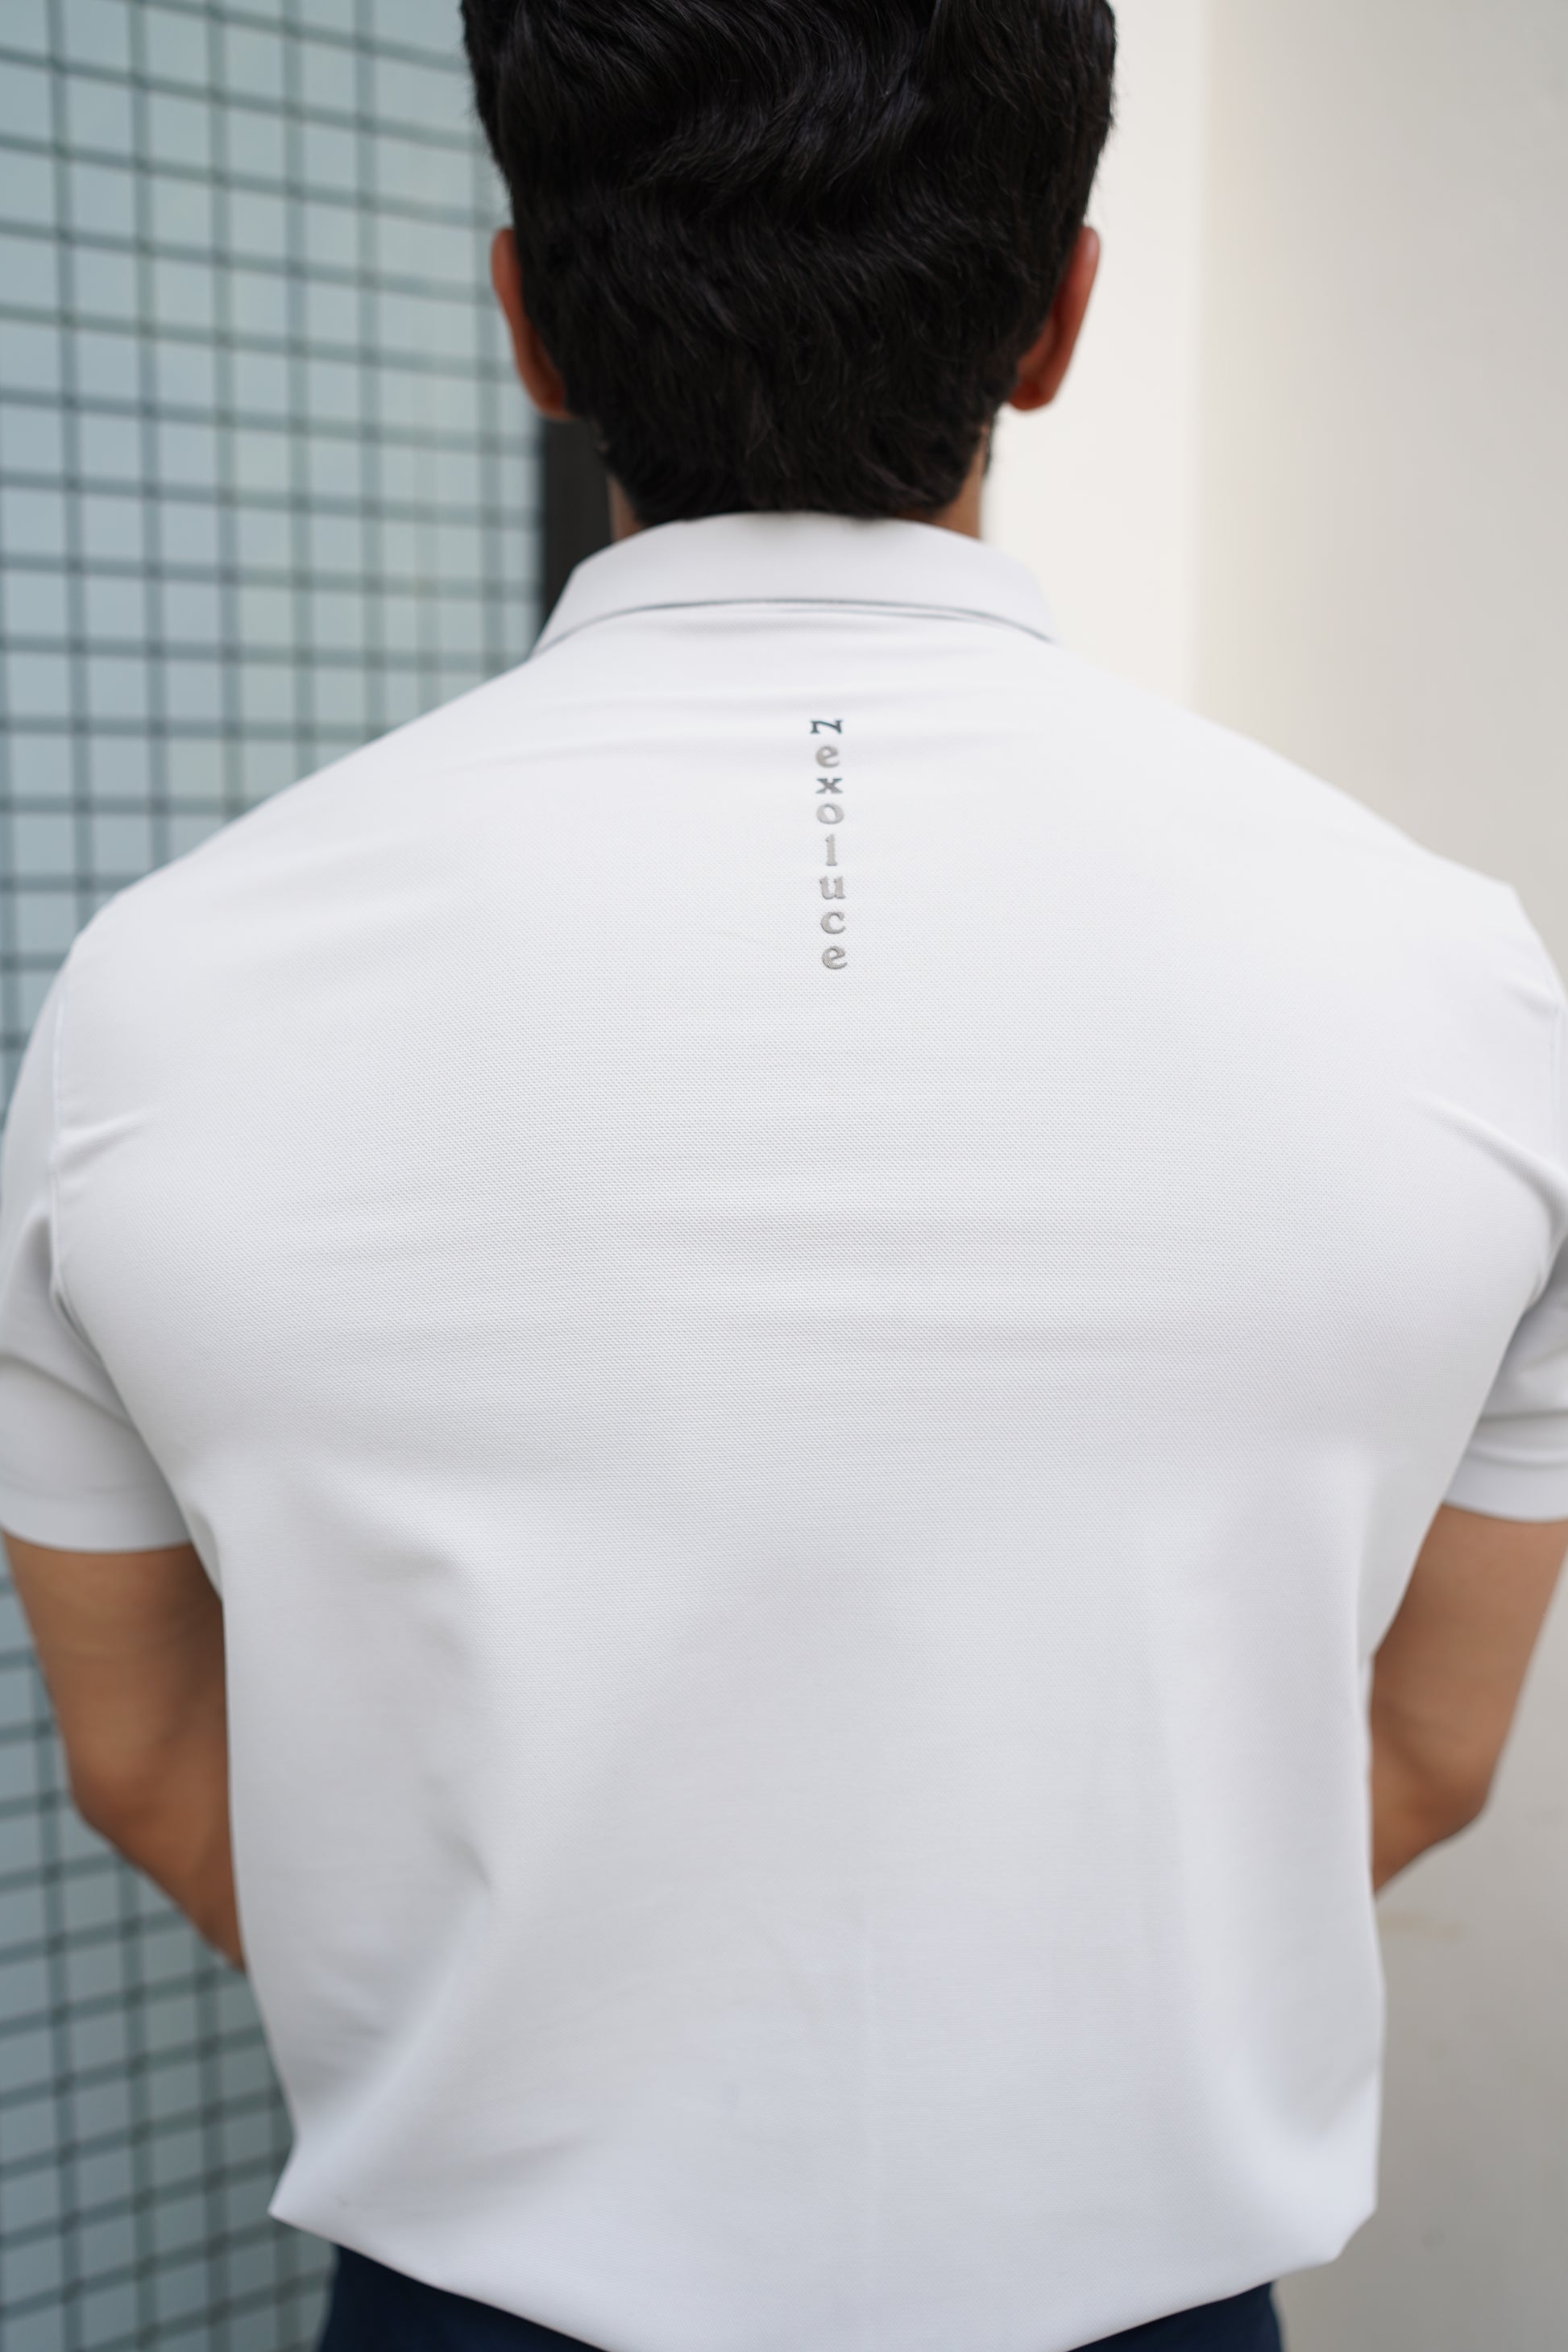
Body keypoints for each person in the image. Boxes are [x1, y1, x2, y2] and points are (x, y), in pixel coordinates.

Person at [1, 2, 1564, 2346]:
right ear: (1059, 321)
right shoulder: (1459, 980)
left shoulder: (159, 994)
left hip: (472, 2300)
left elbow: (143, 1758)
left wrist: (532, 2029)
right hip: (1147, 2296)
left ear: (529, 323)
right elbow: (1424, 1754)